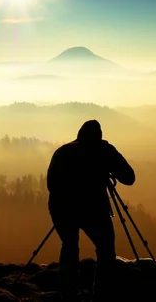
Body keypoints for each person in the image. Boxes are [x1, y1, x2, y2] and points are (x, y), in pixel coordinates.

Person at [47, 120, 135, 302]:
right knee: (105, 248)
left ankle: (68, 293)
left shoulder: (63, 151)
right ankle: (101, 293)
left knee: (69, 246)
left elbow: (51, 185)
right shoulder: (104, 150)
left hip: (62, 208)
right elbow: (129, 177)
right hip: (93, 209)